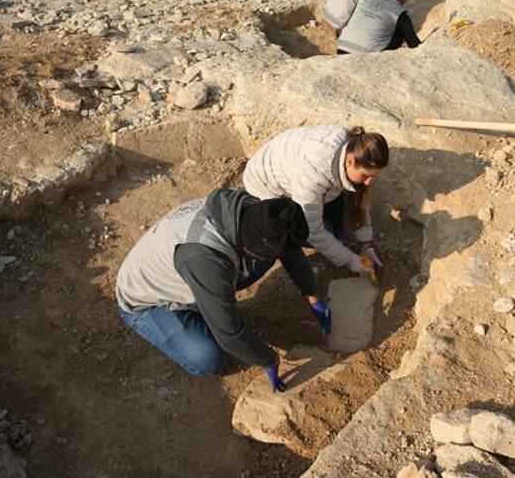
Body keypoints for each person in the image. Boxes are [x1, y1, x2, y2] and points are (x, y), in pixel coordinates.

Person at [115, 189, 332, 393]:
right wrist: (269, 359)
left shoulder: (251, 211)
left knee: (269, 255)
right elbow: (229, 335)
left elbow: (288, 248)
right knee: (208, 358)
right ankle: (201, 314)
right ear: (250, 250)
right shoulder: (208, 260)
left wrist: (312, 295)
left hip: (191, 271)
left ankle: (212, 305)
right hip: (148, 302)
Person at [242, 125, 389, 278]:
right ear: (350, 162)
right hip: (266, 185)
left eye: (373, 176)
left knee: (346, 232)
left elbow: (358, 201)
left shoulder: (354, 147)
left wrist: (366, 244)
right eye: (365, 175)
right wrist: (350, 260)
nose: (368, 182)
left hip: (298, 174)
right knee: (328, 234)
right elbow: (313, 231)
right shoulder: (313, 173)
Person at [336, 0, 420, 55]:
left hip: (342, 48)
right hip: (368, 54)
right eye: (405, 0)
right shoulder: (399, 11)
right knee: (401, 26)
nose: (404, 3)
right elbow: (413, 42)